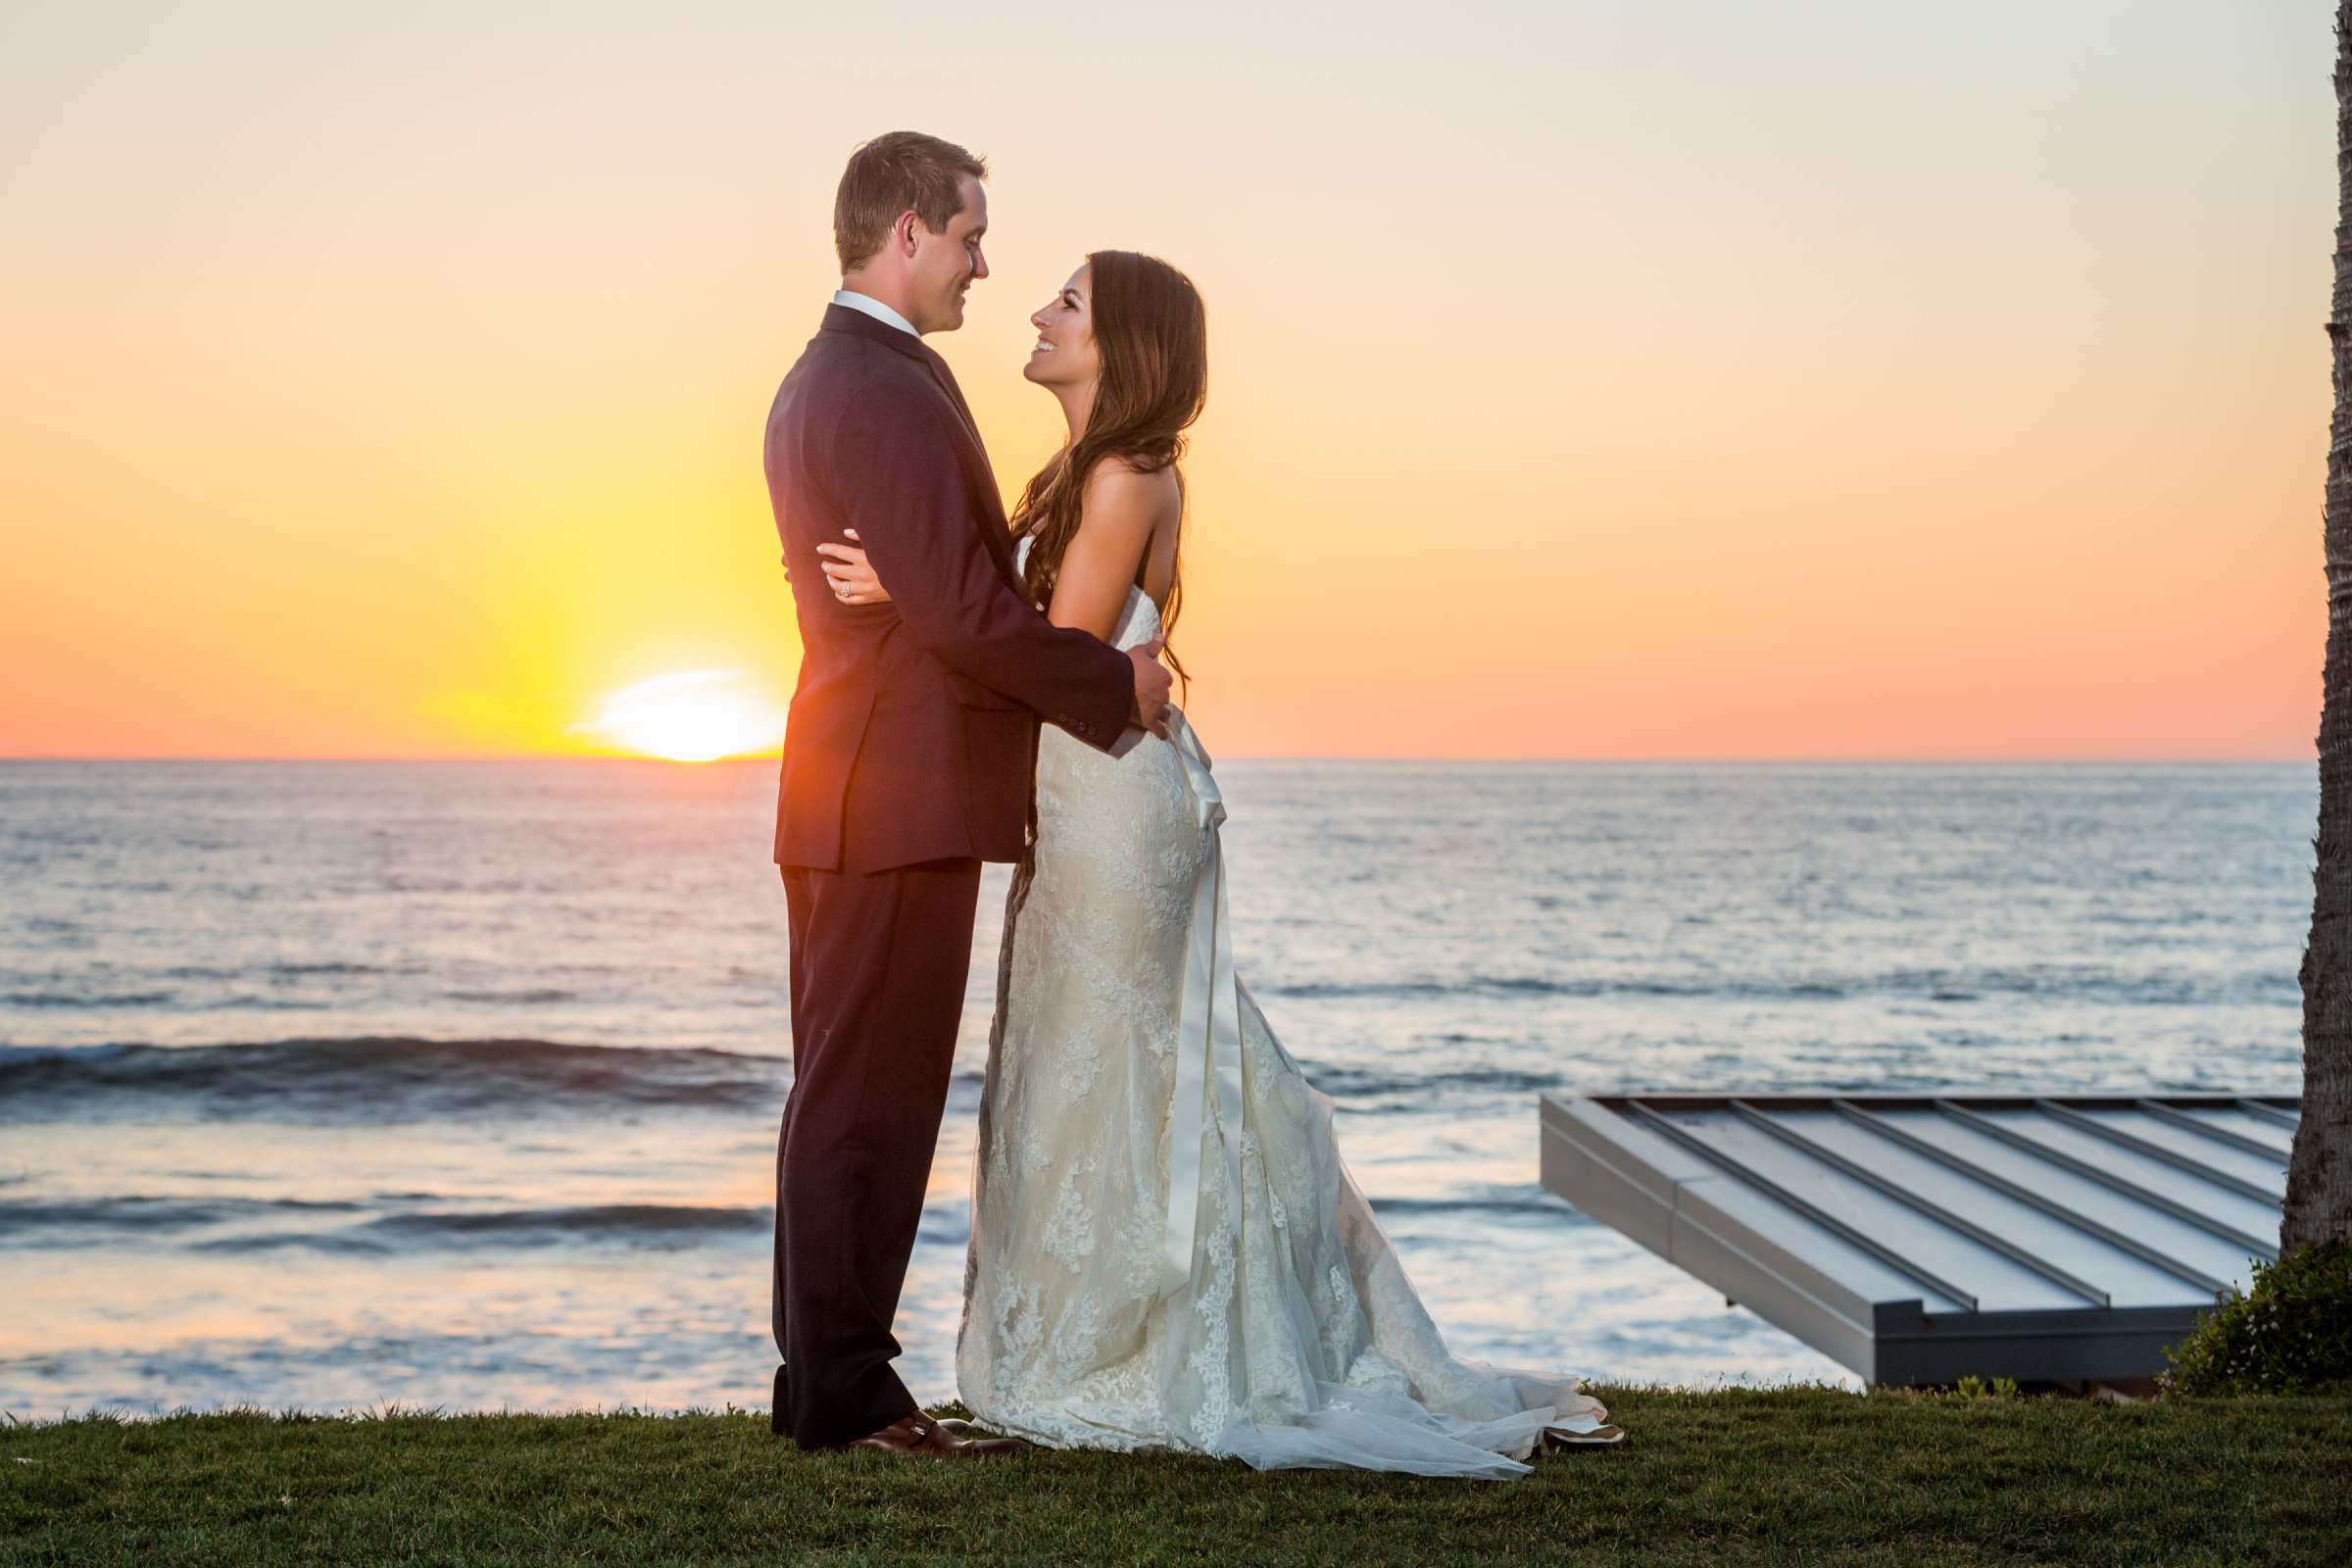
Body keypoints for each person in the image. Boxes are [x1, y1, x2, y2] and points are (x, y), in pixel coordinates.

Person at [816, 251, 1623, 1477]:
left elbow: (1058, 648)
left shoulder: (1127, 475)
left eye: (1069, 304)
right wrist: (924, 580)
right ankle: (1101, 1336)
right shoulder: (1085, 474)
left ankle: (1164, 1342)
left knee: (1130, 1057)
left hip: (1114, 803)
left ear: (1122, 342)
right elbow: (1022, 633)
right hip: (1083, 793)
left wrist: (915, 589)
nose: (1037, 313)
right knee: (1101, 1058)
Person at [760, 131, 1174, 1458]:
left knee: (849, 1094)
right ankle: (841, 1392)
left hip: (862, 785)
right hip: (891, 793)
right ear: (907, 235)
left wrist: (927, 589)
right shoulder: (878, 384)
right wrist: (1119, 693)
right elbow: (963, 616)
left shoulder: (836, 378)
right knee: (863, 1105)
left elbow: (920, 589)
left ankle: (825, 1383)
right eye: (973, 237)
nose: (985, 265)